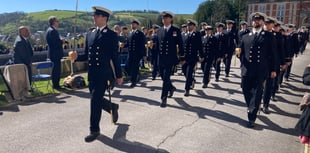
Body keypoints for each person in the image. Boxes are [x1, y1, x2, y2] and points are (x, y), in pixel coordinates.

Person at [71, 6, 123, 142]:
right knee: (96, 99)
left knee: (94, 101)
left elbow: (114, 57)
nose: (94, 18)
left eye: (97, 16)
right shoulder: (90, 34)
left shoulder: (111, 35)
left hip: (104, 74)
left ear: (104, 18)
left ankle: (94, 130)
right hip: (92, 73)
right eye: (94, 15)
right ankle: (112, 107)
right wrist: (77, 57)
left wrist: (119, 75)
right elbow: (87, 55)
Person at [239, 12, 277, 128]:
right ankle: (252, 106)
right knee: (246, 91)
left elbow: (273, 55)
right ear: (252, 22)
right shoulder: (245, 36)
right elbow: (241, 52)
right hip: (247, 70)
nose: (256, 22)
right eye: (255, 20)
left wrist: (273, 69)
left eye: (259, 20)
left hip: (260, 70)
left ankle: (252, 116)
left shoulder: (269, 36)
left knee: (256, 93)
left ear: (262, 22)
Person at [155, 11, 184, 107]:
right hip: (161, 58)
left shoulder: (175, 30)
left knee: (166, 77)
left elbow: (180, 44)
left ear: (170, 19)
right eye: (163, 18)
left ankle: (163, 98)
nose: (164, 19)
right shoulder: (159, 31)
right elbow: (158, 45)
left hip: (170, 58)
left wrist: (182, 56)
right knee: (163, 78)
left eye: (166, 17)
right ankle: (171, 88)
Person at [182, 19, 202, 96]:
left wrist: (201, 55)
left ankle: (187, 89)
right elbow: (182, 47)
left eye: (190, 25)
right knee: (184, 71)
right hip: (185, 58)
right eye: (188, 25)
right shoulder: (184, 35)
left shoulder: (197, 34)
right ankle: (192, 80)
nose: (188, 27)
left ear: (194, 26)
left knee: (189, 72)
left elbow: (200, 46)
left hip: (192, 58)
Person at [45, 16, 65, 89]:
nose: (58, 23)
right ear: (54, 22)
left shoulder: (49, 30)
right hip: (55, 54)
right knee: (56, 70)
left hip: (53, 53)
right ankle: (56, 85)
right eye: (57, 21)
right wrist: (61, 41)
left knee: (56, 69)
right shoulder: (53, 31)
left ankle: (56, 84)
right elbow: (55, 43)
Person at [126, 19, 146, 88]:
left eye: (134, 24)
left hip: (137, 54)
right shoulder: (129, 33)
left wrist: (144, 55)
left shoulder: (140, 34)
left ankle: (133, 81)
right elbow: (128, 43)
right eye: (131, 24)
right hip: (130, 53)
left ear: (137, 25)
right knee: (127, 66)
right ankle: (137, 74)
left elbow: (143, 45)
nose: (132, 25)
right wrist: (123, 45)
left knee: (134, 67)